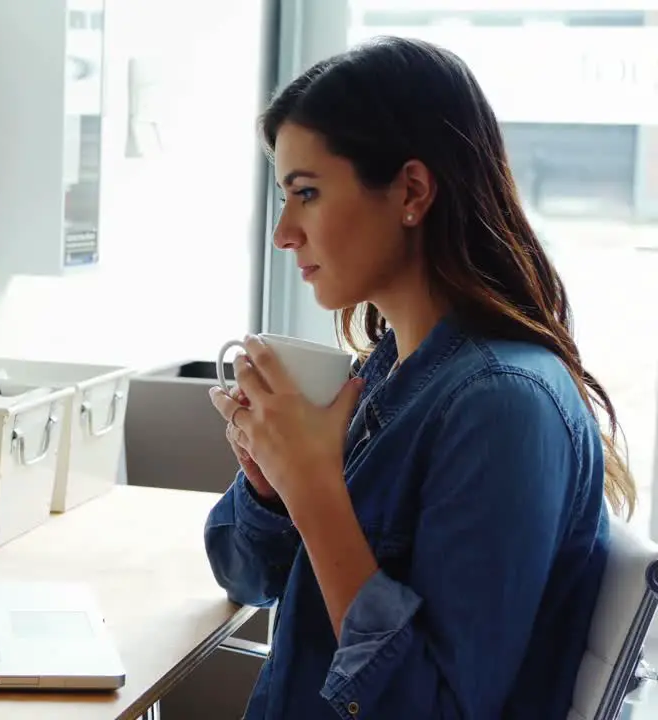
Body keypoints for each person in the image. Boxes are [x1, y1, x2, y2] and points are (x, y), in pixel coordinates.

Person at [204, 36, 636, 719]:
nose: (284, 232)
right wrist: (271, 486)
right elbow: (243, 577)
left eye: (307, 194)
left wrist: (315, 492)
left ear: (411, 191)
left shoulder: (501, 406)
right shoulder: (386, 375)